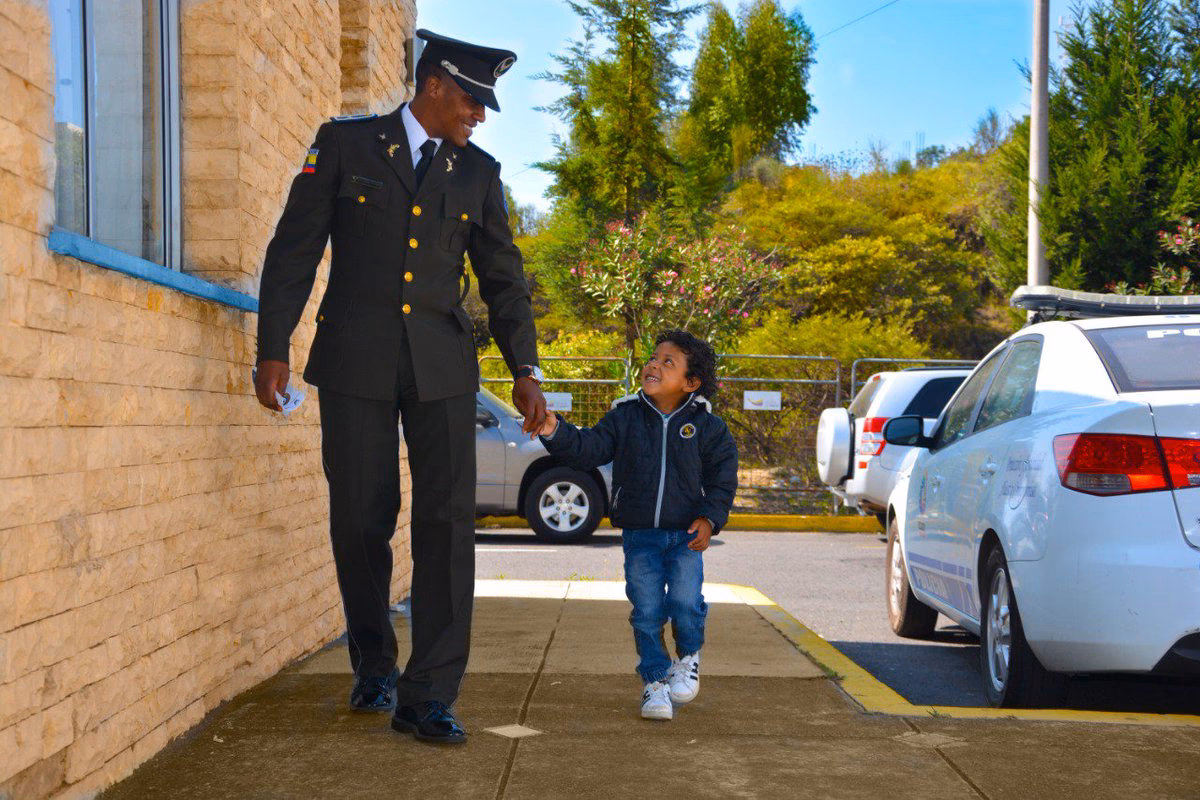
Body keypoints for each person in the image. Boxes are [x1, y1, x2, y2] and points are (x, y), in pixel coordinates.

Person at [253, 29, 547, 745]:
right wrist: (273, 349)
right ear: (435, 85)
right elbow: (294, 249)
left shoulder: (478, 173)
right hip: (355, 359)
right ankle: (375, 662)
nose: (480, 115)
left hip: (443, 369)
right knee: (360, 515)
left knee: (447, 525)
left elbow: (504, 283)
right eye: (473, 100)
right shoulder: (347, 145)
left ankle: (429, 695)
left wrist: (526, 369)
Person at [537, 330, 737, 720]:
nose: (653, 365)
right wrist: (553, 430)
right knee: (646, 610)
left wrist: (710, 520)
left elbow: (723, 480)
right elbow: (589, 448)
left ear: (690, 383)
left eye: (668, 362)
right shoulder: (625, 417)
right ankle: (655, 683)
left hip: (686, 535)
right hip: (640, 535)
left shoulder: (708, 428)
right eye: (653, 357)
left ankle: (689, 656)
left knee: (683, 603)